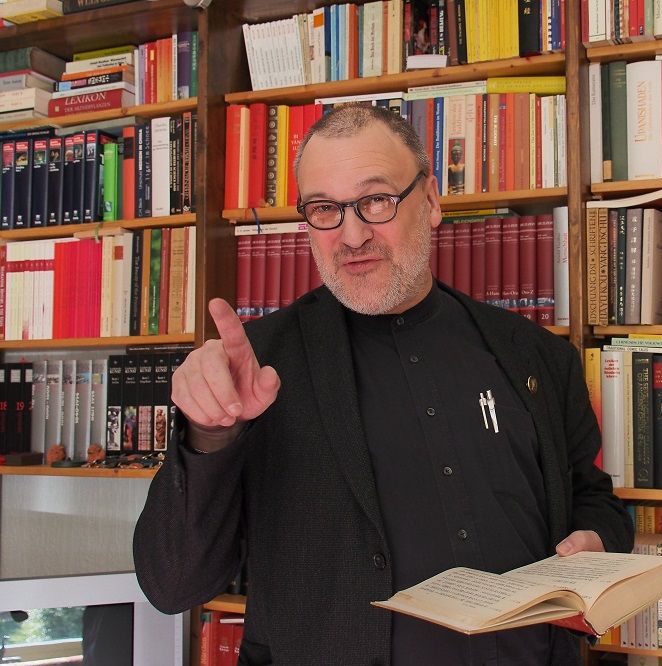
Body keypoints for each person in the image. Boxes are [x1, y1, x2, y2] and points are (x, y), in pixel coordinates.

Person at [133, 104, 633, 665]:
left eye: (376, 200)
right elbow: (173, 585)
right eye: (325, 208)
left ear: (432, 200)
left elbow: (594, 500)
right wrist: (210, 435)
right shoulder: (255, 364)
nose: (352, 235)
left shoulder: (536, 354)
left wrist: (597, 541)